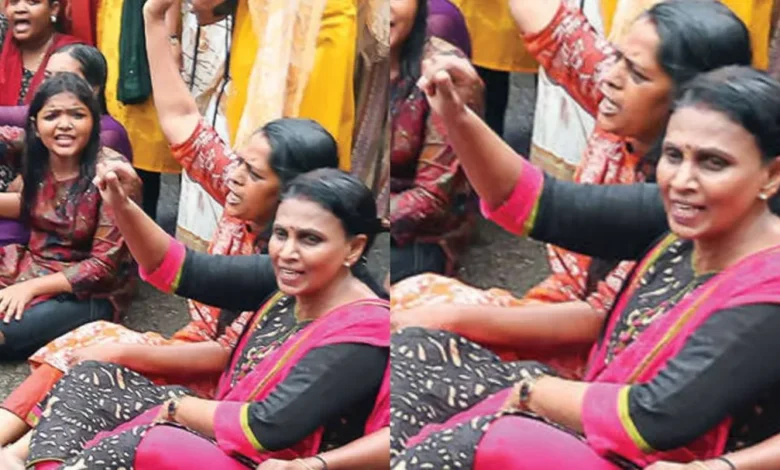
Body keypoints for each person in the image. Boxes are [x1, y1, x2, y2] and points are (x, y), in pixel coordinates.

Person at [392, 55, 780, 467]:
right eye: (673, 155)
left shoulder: (766, 291)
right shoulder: (688, 215)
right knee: (414, 350)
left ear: (772, 176)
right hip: (595, 417)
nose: (683, 180)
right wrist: (455, 116)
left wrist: (532, 393)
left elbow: (654, 418)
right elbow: (540, 203)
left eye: (713, 163)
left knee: (494, 437)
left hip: (643, 454)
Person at [0, 15, 343, 444]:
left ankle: (22, 452)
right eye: (239, 163)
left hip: (222, 387)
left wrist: (120, 351)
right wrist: (153, 18)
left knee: (91, 359)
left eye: (252, 173)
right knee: (83, 349)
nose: (234, 177)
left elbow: (221, 348)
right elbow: (183, 121)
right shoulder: (242, 194)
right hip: (174, 337)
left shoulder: (291, 266)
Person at [391, 0, 754, 378]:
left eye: (636, 73)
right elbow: (556, 30)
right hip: (552, 308)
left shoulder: (681, 200)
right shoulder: (628, 101)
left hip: (598, 361)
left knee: (412, 338)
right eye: (617, 57)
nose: (609, 77)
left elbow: (599, 317)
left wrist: (451, 318)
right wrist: (456, 113)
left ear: (688, 105)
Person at [12, 168, 389, 469]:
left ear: (353, 248)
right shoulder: (291, 277)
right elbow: (182, 269)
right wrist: (121, 205)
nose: (288, 251)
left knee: (155, 439)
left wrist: (176, 409)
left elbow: (267, 427)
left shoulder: (362, 331)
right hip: (224, 433)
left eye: (310, 239)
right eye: (281, 234)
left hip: (264, 460)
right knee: (93, 376)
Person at [0, 73, 138, 362]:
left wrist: (30, 288)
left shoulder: (110, 174)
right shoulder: (35, 151)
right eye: (52, 116)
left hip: (88, 292)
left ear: (94, 122)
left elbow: (103, 267)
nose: (64, 124)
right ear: (35, 126)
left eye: (77, 115)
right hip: (29, 264)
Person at [389, 0, 482, 283]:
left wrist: (349, 219)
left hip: (419, 229)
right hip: (339, 211)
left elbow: (432, 198)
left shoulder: (442, 71)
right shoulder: (334, 56)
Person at [0, 0, 81, 106]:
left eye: (32, 2)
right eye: (14, 2)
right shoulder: (3, 44)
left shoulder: (72, 55)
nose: (20, 9)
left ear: (54, 9)